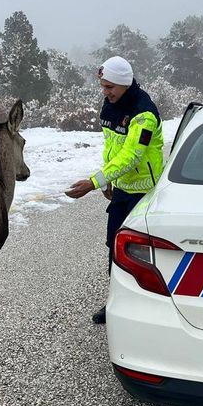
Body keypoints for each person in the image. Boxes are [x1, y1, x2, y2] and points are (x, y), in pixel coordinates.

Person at [65, 56, 164, 324]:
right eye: (102, 86)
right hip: (122, 189)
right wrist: (110, 180)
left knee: (144, 252)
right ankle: (117, 301)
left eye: (109, 87)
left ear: (124, 84)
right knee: (115, 246)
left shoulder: (144, 114)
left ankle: (150, 303)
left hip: (144, 193)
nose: (105, 92)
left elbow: (131, 156)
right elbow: (112, 148)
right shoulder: (111, 105)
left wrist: (94, 181)